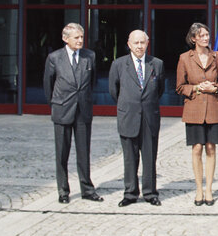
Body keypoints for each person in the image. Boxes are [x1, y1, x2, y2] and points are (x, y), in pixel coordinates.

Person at [43, 23, 102, 204]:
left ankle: (87, 189)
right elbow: (48, 85)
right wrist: (57, 104)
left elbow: (92, 82)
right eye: (76, 37)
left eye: (81, 37)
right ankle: (63, 190)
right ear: (65, 38)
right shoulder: (54, 58)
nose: (80, 41)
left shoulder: (89, 56)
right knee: (62, 152)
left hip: (83, 111)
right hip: (62, 109)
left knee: (84, 152)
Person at [109, 30, 165, 207]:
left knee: (149, 157)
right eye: (136, 43)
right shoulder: (118, 65)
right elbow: (114, 90)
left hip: (150, 118)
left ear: (147, 43)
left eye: (143, 42)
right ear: (129, 44)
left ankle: (150, 193)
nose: (140, 46)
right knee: (129, 158)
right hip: (128, 117)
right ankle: (130, 193)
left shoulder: (157, 64)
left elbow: (160, 90)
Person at [176, 23, 218, 206]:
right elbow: (180, 86)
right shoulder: (184, 58)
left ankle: (209, 190)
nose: (206, 38)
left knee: (211, 148)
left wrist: (214, 88)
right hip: (194, 110)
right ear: (194, 39)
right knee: (197, 148)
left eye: (207, 35)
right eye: (202, 35)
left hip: (214, 109)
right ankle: (198, 189)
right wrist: (197, 88)